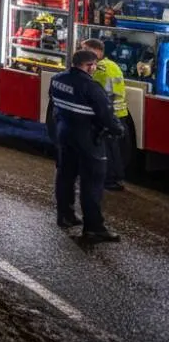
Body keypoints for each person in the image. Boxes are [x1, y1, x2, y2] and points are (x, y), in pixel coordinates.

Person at [50, 49, 123, 242]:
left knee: (65, 175)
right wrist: (118, 130)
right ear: (89, 65)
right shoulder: (91, 87)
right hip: (88, 139)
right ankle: (94, 228)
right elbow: (106, 116)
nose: (94, 69)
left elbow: (55, 104)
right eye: (94, 66)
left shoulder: (57, 78)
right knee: (92, 182)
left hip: (64, 133)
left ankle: (65, 216)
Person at [84, 39, 131, 191]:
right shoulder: (113, 65)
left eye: (84, 49)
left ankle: (109, 180)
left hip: (108, 113)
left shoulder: (100, 69)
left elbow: (94, 92)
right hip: (120, 112)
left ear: (95, 51)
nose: (82, 52)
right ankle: (116, 178)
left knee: (106, 149)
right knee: (114, 149)